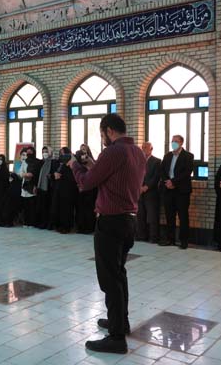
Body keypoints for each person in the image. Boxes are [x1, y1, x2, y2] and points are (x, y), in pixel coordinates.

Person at [69, 113, 145, 354]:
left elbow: (86, 183)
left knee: (110, 280)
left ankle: (116, 338)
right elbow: (112, 178)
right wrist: (92, 165)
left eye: (102, 133)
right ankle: (120, 322)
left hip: (111, 222)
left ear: (109, 131)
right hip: (129, 220)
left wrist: (74, 166)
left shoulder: (113, 152)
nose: (102, 138)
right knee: (119, 274)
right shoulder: (137, 152)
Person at [160, 135, 194, 249]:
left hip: (181, 191)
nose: (173, 143)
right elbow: (162, 170)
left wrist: (173, 182)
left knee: (183, 216)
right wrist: (167, 182)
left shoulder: (188, 156)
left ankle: (184, 240)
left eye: (176, 141)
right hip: (168, 189)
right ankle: (170, 239)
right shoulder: (167, 156)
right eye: (172, 141)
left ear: (181, 143)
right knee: (170, 215)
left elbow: (187, 172)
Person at [137, 142, 161, 243]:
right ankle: (141, 236)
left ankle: (153, 237)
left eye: (146, 147)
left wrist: (146, 187)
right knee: (140, 215)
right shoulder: (138, 161)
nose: (143, 149)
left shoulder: (157, 161)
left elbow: (156, 177)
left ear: (151, 149)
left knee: (152, 216)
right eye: (142, 147)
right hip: (139, 192)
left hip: (151, 193)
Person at [51, 147, 78, 234]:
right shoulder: (59, 163)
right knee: (58, 207)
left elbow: (73, 177)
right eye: (61, 153)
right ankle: (58, 225)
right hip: (59, 188)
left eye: (64, 153)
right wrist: (54, 174)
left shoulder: (72, 163)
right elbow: (53, 173)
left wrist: (62, 176)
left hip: (68, 189)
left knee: (66, 209)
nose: (62, 155)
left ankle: (66, 227)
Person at [35, 146, 59, 230]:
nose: (44, 153)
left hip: (49, 187)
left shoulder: (54, 162)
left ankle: (49, 224)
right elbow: (37, 175)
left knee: (49, 206)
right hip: (41, 187)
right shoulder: (40, 162)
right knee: (41, 206)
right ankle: (42, 223)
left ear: (50, 152)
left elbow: (55, 173)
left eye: (46, 151)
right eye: (43, 151)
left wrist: (51, 176)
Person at [76, 144, 97, 234]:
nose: (83, 151)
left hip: (90, 189)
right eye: (81, 149)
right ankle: (81, 227)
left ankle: (89, 227)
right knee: (81, 208)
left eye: (84, 149)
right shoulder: (78, 163)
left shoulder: (92, 161)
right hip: (80, 189)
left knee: (89, 209)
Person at [17, 148, 37, 226]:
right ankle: (26, 222)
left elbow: (37, 173)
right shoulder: (24, 162)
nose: (29, 154)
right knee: (25, 206)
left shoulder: (37, 162)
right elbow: (20, 172)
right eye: (27, 152)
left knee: (32, 206)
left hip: (33, 185)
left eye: (30, 152)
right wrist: (25, 174)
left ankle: (32, 222)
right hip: (25, 185)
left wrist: (31, 175)